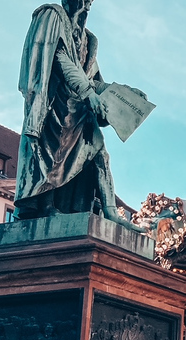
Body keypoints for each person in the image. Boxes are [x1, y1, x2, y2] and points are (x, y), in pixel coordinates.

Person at [16, 0, 143, 231]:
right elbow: (59, 58)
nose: (86, 4)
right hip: (53, 105)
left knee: (100, 153)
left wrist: (125, 94)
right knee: (51, 156)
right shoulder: (52, 15)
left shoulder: (88, 40)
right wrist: (87, 92)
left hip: (79, 111)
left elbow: (93, 79)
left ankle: (110, 212)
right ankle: (45, 206)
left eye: (90, 1)